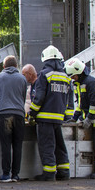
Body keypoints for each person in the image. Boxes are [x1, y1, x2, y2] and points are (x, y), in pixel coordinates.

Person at [29, 45, 73, 181]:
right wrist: (67, 116)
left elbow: (39, 97)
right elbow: (69, 101)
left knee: (47, 145)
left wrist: (32, 112)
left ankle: (49, 174)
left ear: (45, 59)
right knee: (60, 146)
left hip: (45, 118)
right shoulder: (66, 77)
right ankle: (64, 172)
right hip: (59, 118)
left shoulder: (44, 75)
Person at [65, 57, 95, 179]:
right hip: (91, 118)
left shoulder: (91, 82)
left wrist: (89, 119)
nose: (72, 78)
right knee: (93, 143)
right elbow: (81, 104)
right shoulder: (79, 84)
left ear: (79, 73)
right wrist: (75, 118)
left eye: (73, 75)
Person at [0, 56, 28, 182]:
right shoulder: (22, 79)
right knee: (17, 145)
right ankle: (16, 174)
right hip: (19, 114)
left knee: (6, 145)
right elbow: (23, 97)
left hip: (5, 114)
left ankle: (5, 174)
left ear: (4, 66)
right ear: (16, 66)